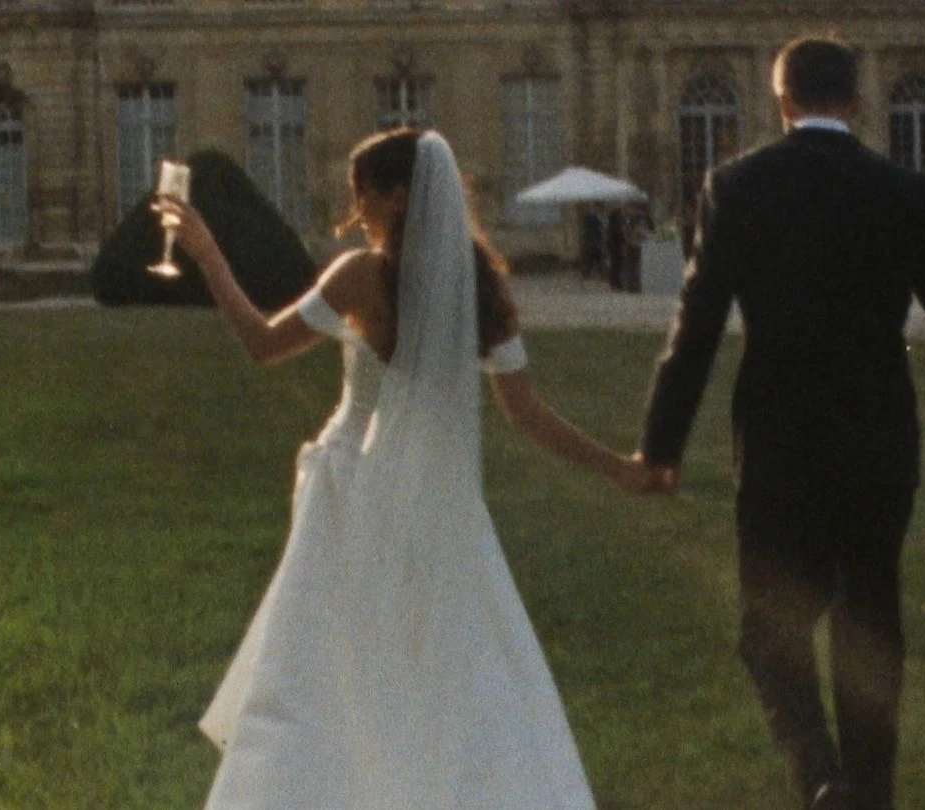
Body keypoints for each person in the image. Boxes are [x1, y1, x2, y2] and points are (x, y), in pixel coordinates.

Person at [155, 127, 647, 809]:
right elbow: (527, 413)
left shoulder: (361, 274)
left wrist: (207, 252)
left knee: (326, 672)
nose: (357, 209)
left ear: (399, 194)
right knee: (445, 665)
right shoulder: (480, 285)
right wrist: (615, 465)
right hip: (441, 505)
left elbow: (262, 344)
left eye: (365, 194)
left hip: (352, 493)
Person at [633, 36, 925, 810]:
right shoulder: (904, 191)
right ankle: (870, 794)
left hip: (781, 442)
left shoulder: (737, 186)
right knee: (870, 623)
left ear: (780, 101)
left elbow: (695, 326)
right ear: (857, 101)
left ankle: (819, 774)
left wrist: (661, 446)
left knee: (769, 629)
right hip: (879, 440)